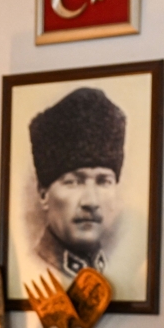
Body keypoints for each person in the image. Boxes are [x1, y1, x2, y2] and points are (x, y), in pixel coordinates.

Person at [28, 87, 124, 282]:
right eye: (74, 182)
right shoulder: (29, 267)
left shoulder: (121, 270)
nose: (90, 201)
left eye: (103, 181)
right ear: (43, 194)